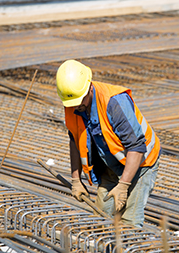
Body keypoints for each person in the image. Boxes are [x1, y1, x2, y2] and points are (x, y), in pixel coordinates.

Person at [56, 59, 161, 227]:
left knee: (129, 223)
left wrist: (123, 185)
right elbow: (74, 139)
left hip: (141, 164)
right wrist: (76, 179)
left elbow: (136, 146)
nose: (76, 106)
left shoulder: (114, 103)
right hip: (111, 165)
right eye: (72, 103)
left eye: (80, 100)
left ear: (89, 87)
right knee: (100, 217)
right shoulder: (74, 102)